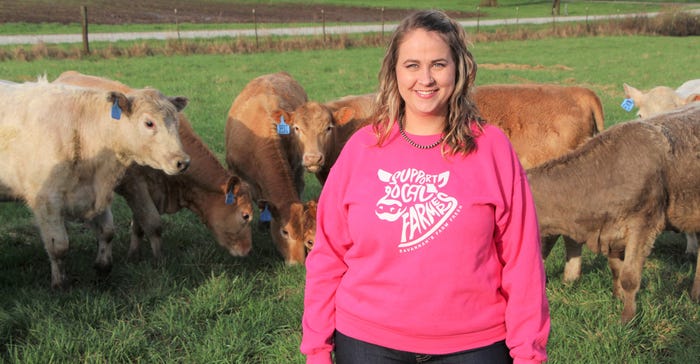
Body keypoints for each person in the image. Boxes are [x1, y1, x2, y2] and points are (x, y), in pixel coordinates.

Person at [300, 9, 550, 364]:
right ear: (394, 72)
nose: (426, 79)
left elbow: (522, 260)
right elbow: (327, 256)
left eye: (438, 64)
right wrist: (317, 349)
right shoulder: (361, 149)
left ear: (458, 69)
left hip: (474, 344)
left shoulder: (492, 149)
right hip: (367, 341)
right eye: (412, 65)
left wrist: (529, 353)